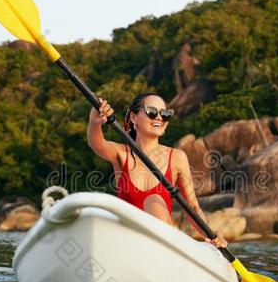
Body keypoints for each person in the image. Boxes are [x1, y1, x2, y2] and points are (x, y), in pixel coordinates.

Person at [87, 92, 227, 248]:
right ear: (134, 118)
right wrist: (95, 122)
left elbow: (192, 208)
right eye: (152, 112)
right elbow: (97, 144)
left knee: (154, 201)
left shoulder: (177, 157)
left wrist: (211, 235)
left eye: (165, 114)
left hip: (165, 242)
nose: (160, 118)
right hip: (130, 240)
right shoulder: (121, 154)